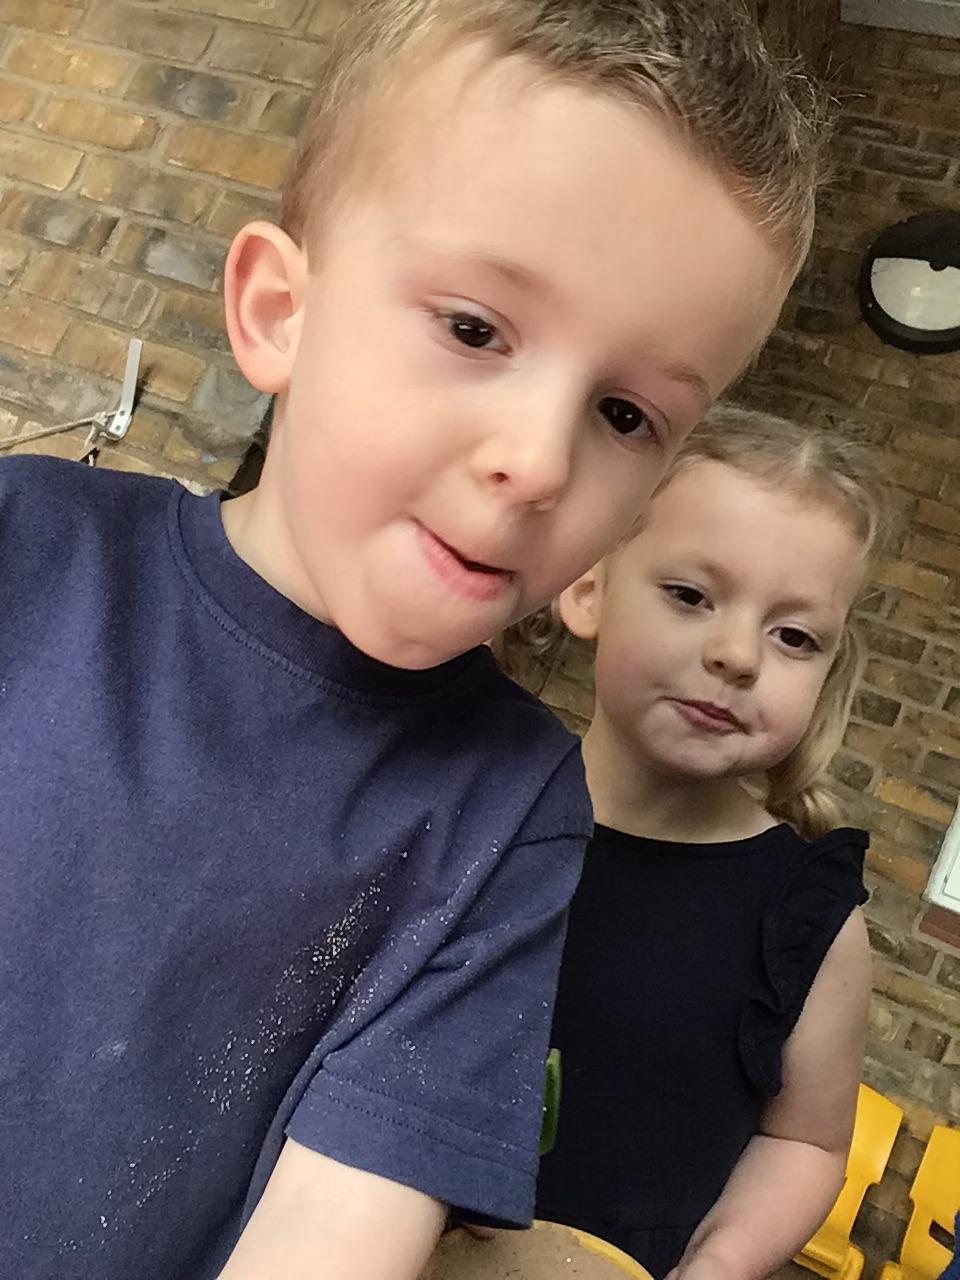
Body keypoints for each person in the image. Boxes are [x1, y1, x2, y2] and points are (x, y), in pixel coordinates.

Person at [0, 1, 825, 1275]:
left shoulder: (508, 809)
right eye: (475, 328)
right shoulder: (30, 546)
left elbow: (337, 1230)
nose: (538, 461)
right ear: (280, 310)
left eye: (624, 413)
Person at [531, 407, 888, 1280]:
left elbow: (805, 1139)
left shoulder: (808, 921)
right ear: (588, 587)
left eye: (793, 636)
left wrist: (718, 1265)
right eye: (691, 595)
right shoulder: (476, 809)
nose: (737, 655)